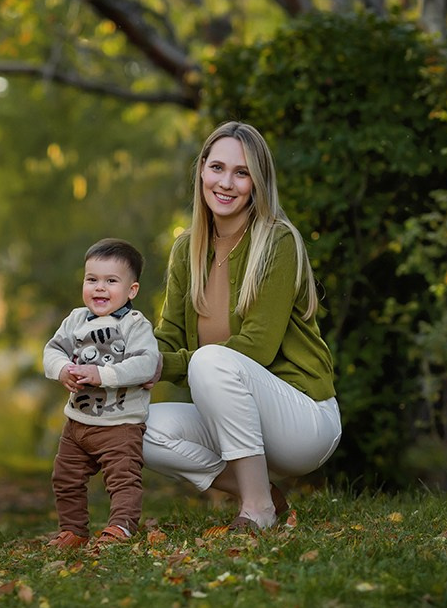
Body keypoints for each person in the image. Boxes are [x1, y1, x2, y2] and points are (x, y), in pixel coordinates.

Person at [144, 121, 341, 534]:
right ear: (201, 171)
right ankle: (262, 492)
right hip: (233, 417)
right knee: (137, 429)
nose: (226, 183)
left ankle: (257, 512)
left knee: (210, 362)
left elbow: (257, 347)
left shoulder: (277, 241)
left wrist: (169, 366)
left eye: (242, 172)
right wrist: (127, 363)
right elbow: (169, 340)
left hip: (303, 419)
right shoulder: (187, 249)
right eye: (217, 168)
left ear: (257, 181)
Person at [43, 238, 160, 548]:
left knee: (122, 479)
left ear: (131, 290)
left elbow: (146, 364)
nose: (99, 288)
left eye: (111, 281)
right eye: (92, 279)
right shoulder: (76, 319)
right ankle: (74, 531)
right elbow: (53, 350)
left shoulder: (135, 325)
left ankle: (120, 527)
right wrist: (62, 370)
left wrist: (103, 375)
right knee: (65, 478)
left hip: (120, 424)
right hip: (77, 423)